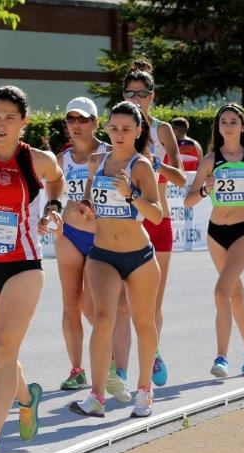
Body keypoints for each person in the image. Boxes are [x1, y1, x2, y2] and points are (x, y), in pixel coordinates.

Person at [0, 85, 64, 453]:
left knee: (4, 350)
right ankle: (26, 398)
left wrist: (53, 208)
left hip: (23, 265)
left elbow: (57, 180)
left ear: (24, 122)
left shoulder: (36, 160)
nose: (1, 124)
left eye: (10, 117)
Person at [68, 101, 163, 419]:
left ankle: (144, 390)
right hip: (103, 253)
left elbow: (157, 214)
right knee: (103, 320)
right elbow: (89, 197)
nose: (119, 134)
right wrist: (85, 206)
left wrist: (131, 194)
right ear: (107, 129)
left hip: (139, 257)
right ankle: (96, 396)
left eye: (126, 129)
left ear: (138, 131)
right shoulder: (97, 162)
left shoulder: (141, 166)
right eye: (114, 128)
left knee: (144, 322)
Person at [184, 103, 244, 377]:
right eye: (223, 122)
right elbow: (189, 201)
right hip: (216, 234)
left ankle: (221, 358)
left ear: (242, 127)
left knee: (221, 292)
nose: (227, 126)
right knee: (235, 295)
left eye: (233, 122)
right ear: (218, 128)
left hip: (242, 233)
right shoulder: (210, 160)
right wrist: (204, 190)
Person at [108, 60, 186, 402]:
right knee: (121, 305)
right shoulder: (119, 129)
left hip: (157, 222)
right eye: (130, 93)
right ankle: (121, 371)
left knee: (151, 304)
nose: (136, 99)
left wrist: (156, 163)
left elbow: (181, 178)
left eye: (142, 94)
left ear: (152, 97)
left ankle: (151, 353)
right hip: (125, 222)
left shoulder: (162, 131)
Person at [53, 97, 110, 391]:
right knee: (70, 304)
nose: (76, 125)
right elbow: (52, 193)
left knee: (92, 307)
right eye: (71, 119)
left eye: (83, 119)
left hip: (100, 236)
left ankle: (111, 360)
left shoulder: (109, 153)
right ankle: (77, 369)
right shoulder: (61, 158)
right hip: (69, 234)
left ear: (95, 122)